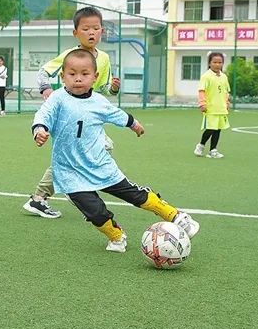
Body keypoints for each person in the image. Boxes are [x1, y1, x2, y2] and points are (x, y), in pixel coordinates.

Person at [32, 49, 200, 253]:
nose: (78, 79)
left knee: (135, 195)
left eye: (84, 74)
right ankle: (116, 236)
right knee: (94, 211)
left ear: (94, 77)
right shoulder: (57, 99)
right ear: (62, 76)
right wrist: (39, 129)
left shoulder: (99, 102)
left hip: (100, 164)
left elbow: (117, 114)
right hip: (69, 171)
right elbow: (43, 114)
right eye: (72, 74)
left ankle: (175, 215)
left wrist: (134, 124)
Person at [23, 6, 121, 219]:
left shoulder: (103, 58)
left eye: (96, 28)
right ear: (76, 32)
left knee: (93, 149)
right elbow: (43, 72)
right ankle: (46, 196)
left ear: (102, 31)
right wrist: (46, 90)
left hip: (88, 115)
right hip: (68, 113)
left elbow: (101, 88)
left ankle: (64, 190)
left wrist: (113, 87)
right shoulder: (69, 55)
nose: (91, 32)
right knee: (74, 154)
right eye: (86, 28)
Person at [194, 52, 230, 159]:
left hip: (221, 108)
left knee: (218, 129)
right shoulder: (206, 76)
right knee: (210, 128)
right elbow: (202, 91)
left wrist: (227, 103)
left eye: (220, 62)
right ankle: (200, 145)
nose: (217, 64)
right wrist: (202, 104)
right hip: (210, 108)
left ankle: (213, 150)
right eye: (214, 62)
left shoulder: (224, 77)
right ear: (209, 63)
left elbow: (226, 91)